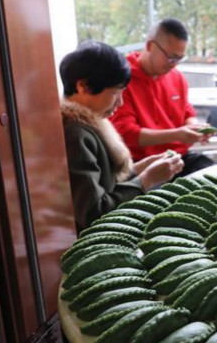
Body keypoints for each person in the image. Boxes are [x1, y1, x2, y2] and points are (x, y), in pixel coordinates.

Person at [59, 41, 183, 231]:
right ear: (83, 86)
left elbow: (105, 183)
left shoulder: (90, 124)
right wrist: (145, 179)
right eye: (115, 93)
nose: (120, 102)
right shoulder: (75, 135)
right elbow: (94, 213)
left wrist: (140, 168)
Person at [111, 18, 215, 177]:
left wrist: (194, 128)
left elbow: (188, 114)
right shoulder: (123, 78)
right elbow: (126, 133)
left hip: (179, 158)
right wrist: (178, 134)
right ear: (150, 46)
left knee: (215, 177)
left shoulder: (177, 78)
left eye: (179, 59)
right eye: (171, 58)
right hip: (141, 163)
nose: (174, 64)